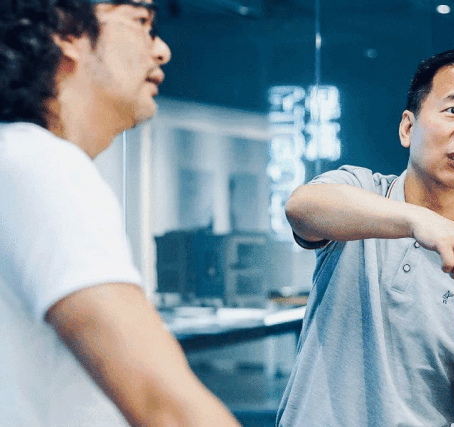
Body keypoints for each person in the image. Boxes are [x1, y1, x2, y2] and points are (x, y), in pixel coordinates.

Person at [277, 49, 454, 427]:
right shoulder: (362, 193)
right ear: (408, 128)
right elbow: (301, 207)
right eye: (453, 110)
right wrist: (420, 221)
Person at [0, 0, 240, 425]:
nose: (162, 49)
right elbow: (166, 406)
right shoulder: (42, 165)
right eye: (141, 21)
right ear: (67, 31)